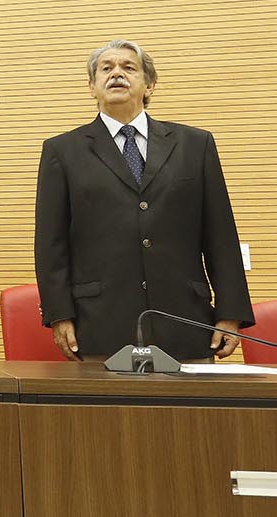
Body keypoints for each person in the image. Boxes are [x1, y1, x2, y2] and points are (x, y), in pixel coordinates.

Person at [34, 40, 251, 361]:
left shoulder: (195, 144)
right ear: (92, 86)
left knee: (191, 411)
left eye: (128, 67)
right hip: (98, 321)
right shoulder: (62, 151)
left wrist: (230, 311)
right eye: (106, 68)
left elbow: (220, 233)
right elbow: (51, 242)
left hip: (185, 317)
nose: (116, 74)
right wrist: (59, 314)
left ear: (149, 83)